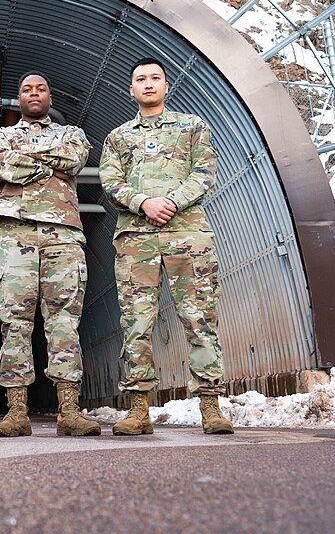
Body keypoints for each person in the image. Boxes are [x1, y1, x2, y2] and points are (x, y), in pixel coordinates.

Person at [97, 57, 234, 436]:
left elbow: (204, 172)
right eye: (140, 79)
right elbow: (110, 181)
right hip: (136, 241)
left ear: (166, 85)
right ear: (131, 89)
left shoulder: (192, 127)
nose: (148, 84)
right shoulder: (118, 137)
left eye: (155, 78)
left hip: (187, 235)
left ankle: (211, 406)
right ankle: (138, 409)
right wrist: (143, 203)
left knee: (199, 318)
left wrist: (171, 201)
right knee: (136, 322)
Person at [0, 72, 100, 437]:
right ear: (17, 99)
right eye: (26, 90)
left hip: (62, 233)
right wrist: (47, 164)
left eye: (41, 89)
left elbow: (74, 159)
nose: (34, 94)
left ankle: (69, 409)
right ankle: (16, 412)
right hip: (13, 232)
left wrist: (27, 161)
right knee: (14, 319)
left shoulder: (72, 133)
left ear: (51, 97)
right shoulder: (1, 136)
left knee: (64, 320)